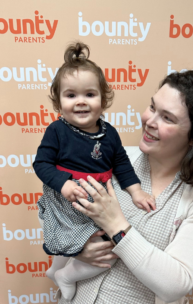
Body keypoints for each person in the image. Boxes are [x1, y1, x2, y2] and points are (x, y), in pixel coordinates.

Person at [56, 70, 193, 303]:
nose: (149, 121)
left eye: (167, 118)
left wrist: (116, 225)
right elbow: (57, 213)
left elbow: (175, 284)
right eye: (152, 107)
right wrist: (76, 248)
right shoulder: (110, 161)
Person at [33, 42, 155, 301]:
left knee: (108, 251)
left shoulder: (109, 133)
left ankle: (66, 275)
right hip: (67, 198)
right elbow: (41, 164)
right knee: (70, 244)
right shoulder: (57, 131)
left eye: (89, 94)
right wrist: (64, 184)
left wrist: (136, 192)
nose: (80, 102)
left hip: (98, 199)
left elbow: (121, 164)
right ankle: (58, 271)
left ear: (103, 99)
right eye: (71, 95)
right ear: (58, 101)